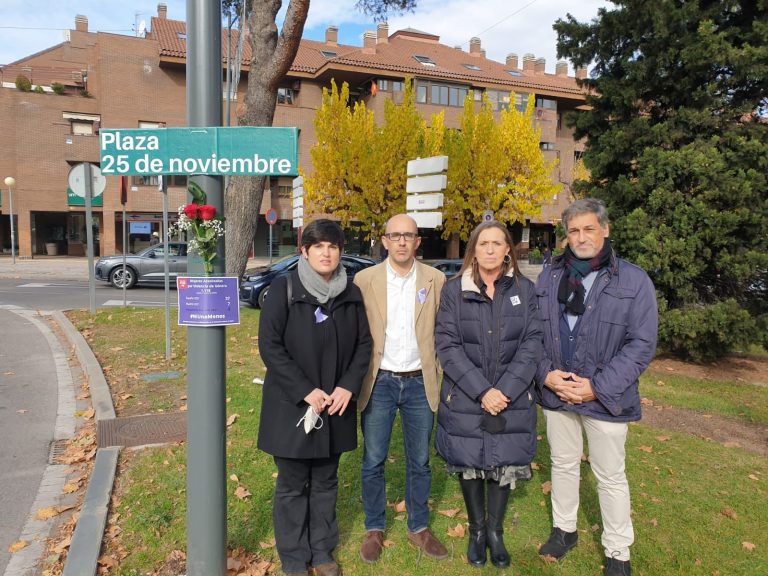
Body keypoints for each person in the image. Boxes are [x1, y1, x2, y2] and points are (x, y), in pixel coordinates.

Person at [535, 198, 658, 576]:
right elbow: (533, 333)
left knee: (609, 475)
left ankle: (618, 550)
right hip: (558, 392)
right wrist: (545, 374)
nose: (581, 237)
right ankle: (564, 530)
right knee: (563, 464)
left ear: (605, 230)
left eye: (589, 229)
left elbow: (641, 345)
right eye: (574, 230)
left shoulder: (633, 280)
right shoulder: (550, 275)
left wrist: (595, 388)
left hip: (605, 397)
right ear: (566, 236)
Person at [257, 219, 372, 576]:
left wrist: (348, 386)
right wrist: (305, 390)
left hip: (335, 407)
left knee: (325, 483)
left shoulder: (350, 294)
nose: (326, 253)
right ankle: (293, 558)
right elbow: (270, 347)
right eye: (318, 246)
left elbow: (364, 345)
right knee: (292, 485)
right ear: (304, 251)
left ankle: (322, 552)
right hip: (292, 407)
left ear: (340, 252)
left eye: (333, 246)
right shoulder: (284, 290)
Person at [435, 220, 542, 569]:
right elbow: (447, 345)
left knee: (503, 462)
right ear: (474, 250)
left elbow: (532, 343)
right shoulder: (454, 290)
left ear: (508, 248)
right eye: (484, 244)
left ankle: (495, 532)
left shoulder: (526, 291)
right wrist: (482, 390)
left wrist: (505, 391)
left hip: (512, 395)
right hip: (467, 394)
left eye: (498, 243)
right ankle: (477, 532)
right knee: (470, 463)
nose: (491, 249)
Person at [353, 214, 448, 564]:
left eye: (409, 235)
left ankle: (418, 526)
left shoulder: (436, 279)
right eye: (396, 236)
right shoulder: (364, 280)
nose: (403, 242)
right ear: (385, 240)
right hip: (379, 382)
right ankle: (374, 527)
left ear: (418, 241)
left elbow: (444, 331)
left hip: (420, 382)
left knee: (420, 461)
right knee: (373, 459)